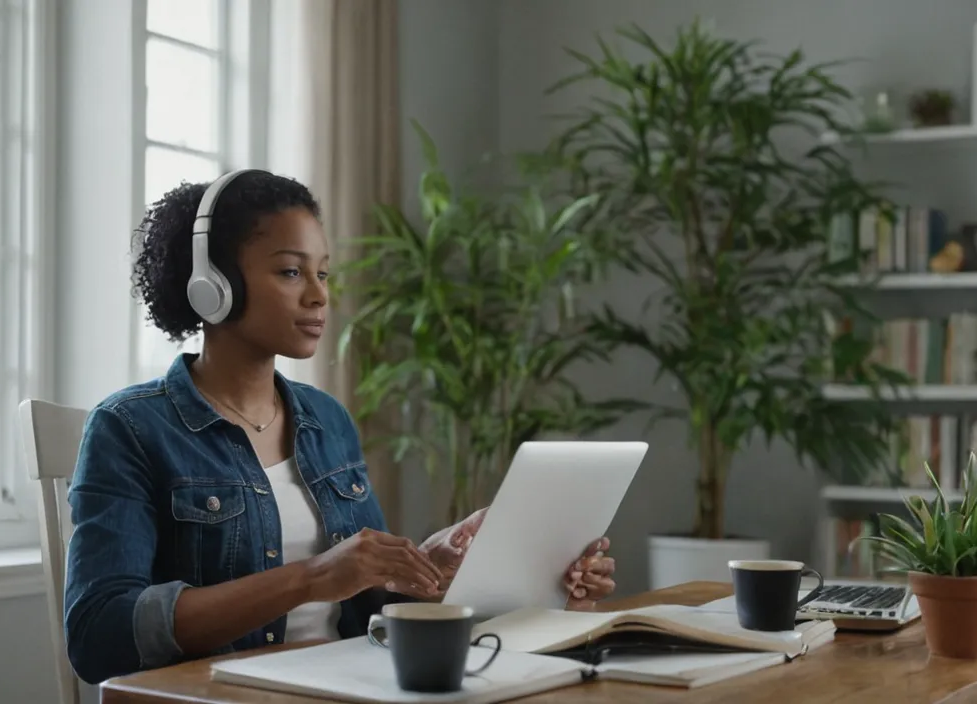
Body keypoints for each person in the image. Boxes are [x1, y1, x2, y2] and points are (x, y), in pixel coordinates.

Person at [63, 169, 618, 685]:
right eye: (290, 271)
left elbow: (364, 606)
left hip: (348, 687)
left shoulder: (326, 420)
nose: (319, 294)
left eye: (323, 272)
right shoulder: (130, 428)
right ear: (213, 284)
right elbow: (99, 637)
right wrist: (310, 576)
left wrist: (427, 571)